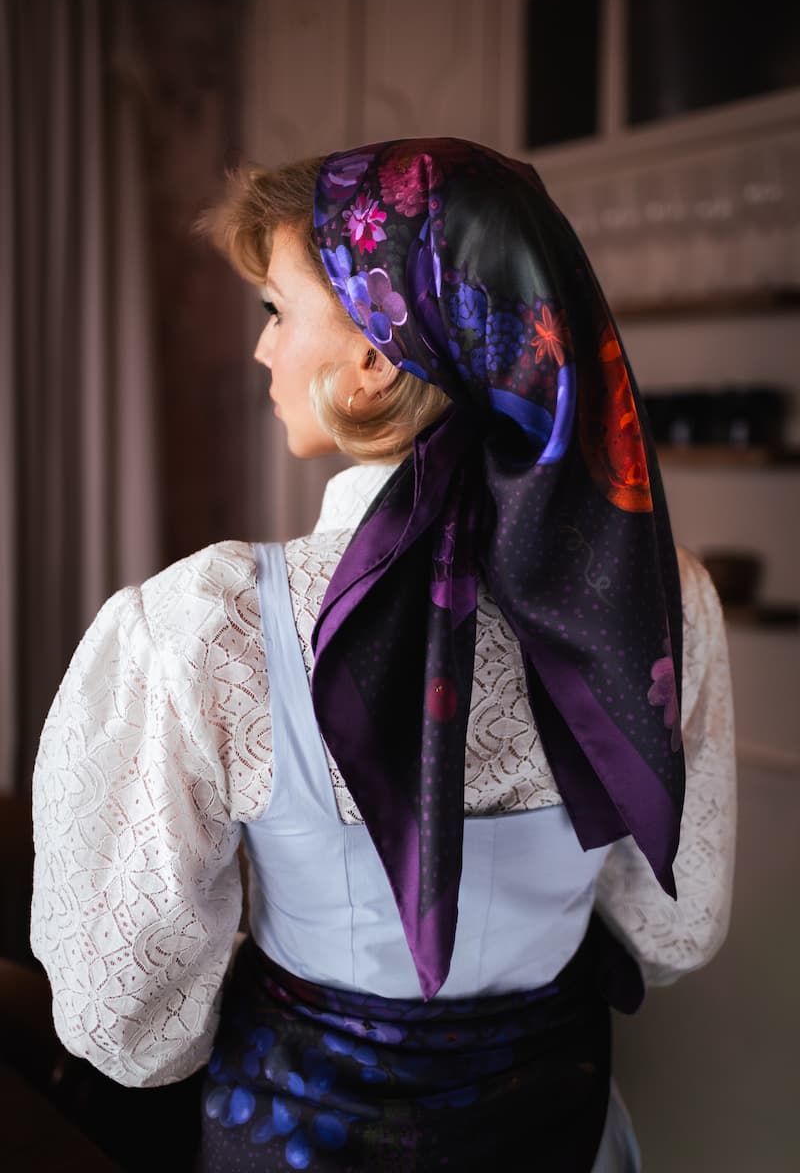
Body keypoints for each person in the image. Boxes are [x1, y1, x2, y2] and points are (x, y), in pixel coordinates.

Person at [30, 137, 736, 1172]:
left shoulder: (211, 624)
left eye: (276, 311)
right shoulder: (665, 600)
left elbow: (126, 1013)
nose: (262, 350)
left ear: (374, 359)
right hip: (562, 1135)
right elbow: (671, 927)